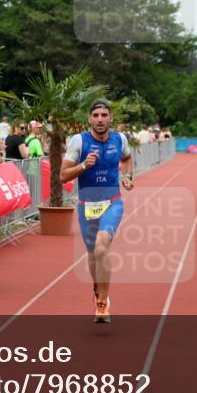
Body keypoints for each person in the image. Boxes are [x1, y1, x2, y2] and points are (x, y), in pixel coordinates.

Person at [60, 98, 135, 323]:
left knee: (102, 248)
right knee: (93, 254)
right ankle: (98, 289)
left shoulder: (120, 139)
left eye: (104, 115)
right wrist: (84, 165)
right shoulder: (78, 142)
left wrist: (127, 177)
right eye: (96, 116)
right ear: (89, 119)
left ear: (111, 118)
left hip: (113, 202)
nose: (100, 119)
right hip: (87, 206)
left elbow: (128, 158)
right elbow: (63, 175)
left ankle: (102, 303)